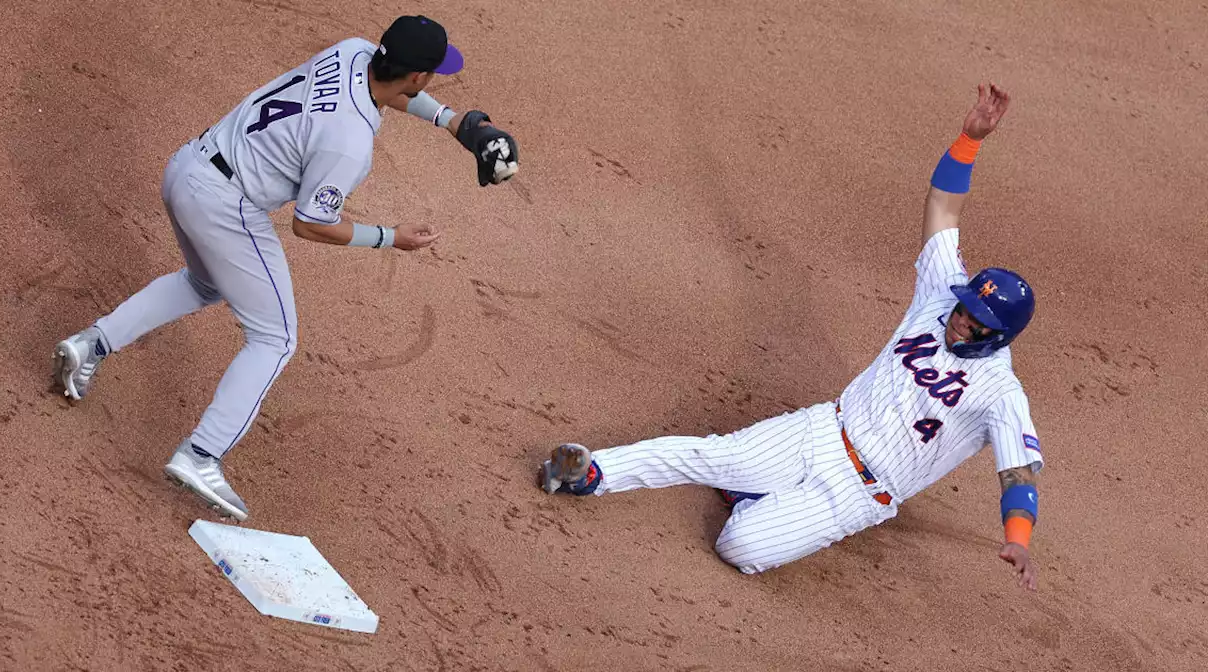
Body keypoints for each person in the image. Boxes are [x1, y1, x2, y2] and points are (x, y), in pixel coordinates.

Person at [539, 83, 1043, 591]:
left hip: (857, 494)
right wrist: (969, 139)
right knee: (714, 456)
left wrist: (1018, 537)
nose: (961, 318)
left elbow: (1018, 475)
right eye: (965, 306)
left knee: (739, 547)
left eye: (976, 319)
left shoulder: (1000, 393)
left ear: (1000, 336)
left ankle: (753, 497)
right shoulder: (940, 292)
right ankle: (592, 473)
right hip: (821, 431)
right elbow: (943, 207)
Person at [52, 15, 519, 522]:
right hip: (226, 208)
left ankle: (89, 345)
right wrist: (390, 238)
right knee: (276, 338)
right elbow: (311, 224)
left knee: (204, 284)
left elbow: (387, 92)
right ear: (418, 77)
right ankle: (201, 454)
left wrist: (457, 123)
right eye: (431, 74)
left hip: (188, 167)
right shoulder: (350, 145)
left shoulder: (353, 50)